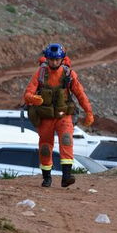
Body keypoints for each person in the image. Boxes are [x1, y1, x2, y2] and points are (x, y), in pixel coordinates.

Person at [23, 43, 94, 188]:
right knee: (45, 147)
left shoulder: (69, 74)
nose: (54, 62)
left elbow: (80, 94)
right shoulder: (40, 73)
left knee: (66, 141)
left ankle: (66, 176)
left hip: (63, 115)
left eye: (57, 59)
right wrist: (32, 98)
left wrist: (89, 112)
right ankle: (47, 178)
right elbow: (27, 93)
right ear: (47, 59)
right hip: (45, 117)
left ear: (62, 59)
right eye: (51, 59)